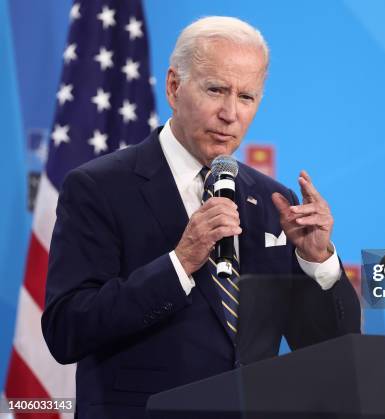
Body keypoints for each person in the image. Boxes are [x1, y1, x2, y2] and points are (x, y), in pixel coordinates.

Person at [41, 16, 360, 418]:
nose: (230, 113)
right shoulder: (99, 188)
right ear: (174, 87)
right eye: (216, 90)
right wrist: (179, 264)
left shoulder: (274, 200)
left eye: (246, 97)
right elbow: (66, 330)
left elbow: (330, 350)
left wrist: (319, 264)